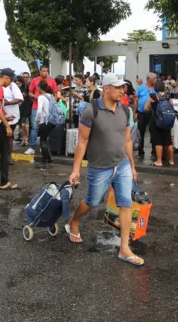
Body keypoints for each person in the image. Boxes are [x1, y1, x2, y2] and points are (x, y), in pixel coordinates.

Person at [65, 73, 143, 267]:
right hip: (99, 168)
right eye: (118, 87)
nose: (122, 91)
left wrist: (132, 166)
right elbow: (82, 142)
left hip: (122, 164)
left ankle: (124, 249)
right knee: (93, 201)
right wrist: (76, 169)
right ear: (106, 88)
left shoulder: (125, 110)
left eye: (123, 87)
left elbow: (127, 140)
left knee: (126, 204)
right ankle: (74, 222)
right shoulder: (90, 111)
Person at [25, 65, 58, 155]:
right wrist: (34, 96)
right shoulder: (35, 80)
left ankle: (44, 146)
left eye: (46, 71)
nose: (45, 73)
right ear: (40, 72)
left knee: (46, 128)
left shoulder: (52, 81)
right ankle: (32, 147)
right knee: (34, 127)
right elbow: (30, 92)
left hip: (48, 109)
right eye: (43, 71)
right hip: (36, 107)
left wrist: (53, 103)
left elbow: (56, 93)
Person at [144, 80, 174, 167]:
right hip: (167, 120)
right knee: (168, 142)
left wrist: (151, 109)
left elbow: (145, 108)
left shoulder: (153, 96)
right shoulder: (168, 96)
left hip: (156, 120)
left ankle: (159, 161)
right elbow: (172, 107)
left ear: (155, 87)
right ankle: (171, 160)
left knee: (158, 141)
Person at [34, 81, 57, 169]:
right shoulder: (51, 96)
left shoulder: (41, 97)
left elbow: (39, 110)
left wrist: (37, 119)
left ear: (40, 88)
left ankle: (46, 162)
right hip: (52, 121)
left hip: (44, 121)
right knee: (46, 139)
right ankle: (49, 158)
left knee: (43, 141)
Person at [134, 72, 157, 159]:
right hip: (141, 113)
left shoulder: (156, 88)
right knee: (141, 132)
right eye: (154, 78)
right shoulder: (140, 88)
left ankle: (154, 152)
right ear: (149, 79)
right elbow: (136, 101)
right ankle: (140, 151)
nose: (156, 80)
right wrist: (134, 114)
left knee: (153, 132)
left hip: (152, 113)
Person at [3, 71, 23, 162]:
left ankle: (8, 156)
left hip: (11, 116)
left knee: (9, 136)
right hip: (0, 115)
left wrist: (8, 102)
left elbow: (20, 98)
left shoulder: (12, 86)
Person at [16, 75, 32, 147]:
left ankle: (25, 138)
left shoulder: (26, 89)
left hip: (26, 109)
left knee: (23, 124)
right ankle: (23, 139)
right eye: (16, 83)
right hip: (18, 110)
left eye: (19, 83)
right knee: (20, 126)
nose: (17, 85)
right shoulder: (15, 90)